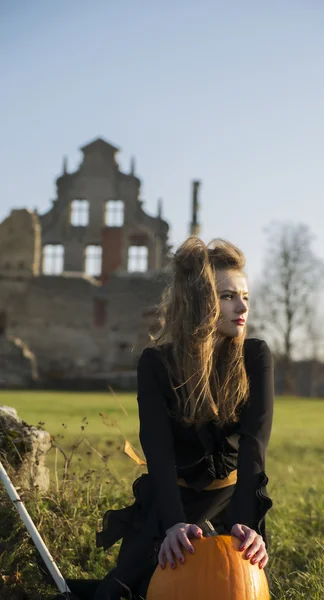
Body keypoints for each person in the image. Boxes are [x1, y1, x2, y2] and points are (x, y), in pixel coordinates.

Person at [94, 237, 274, 600]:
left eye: (245, 297)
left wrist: (245, 524)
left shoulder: (255, 356)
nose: (242, 306)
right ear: (199, 302)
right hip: (170, 500)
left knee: (234, 587)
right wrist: (174, 523)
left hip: (231, 500)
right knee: (120, 591)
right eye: (227, 296)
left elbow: (254, 446)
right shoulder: (157, 363)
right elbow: (158, 451)